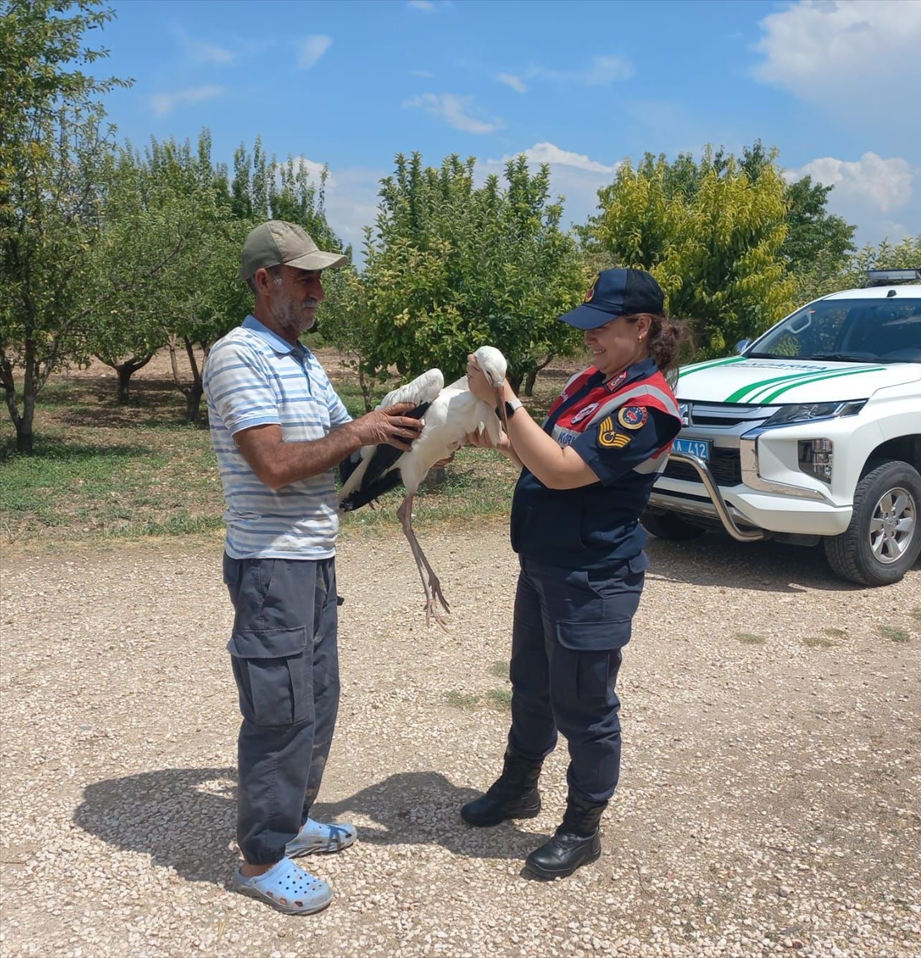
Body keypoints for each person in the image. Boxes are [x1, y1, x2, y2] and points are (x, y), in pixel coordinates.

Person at [203, 220, 426, 915]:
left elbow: (345, 455)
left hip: (312, 558)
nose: (319, 291)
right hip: (272, 566)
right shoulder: (239, 356)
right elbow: (273, 465)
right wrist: (361, 430)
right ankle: (261, 857)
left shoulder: (299, 358)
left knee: (317, 701)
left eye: (320, 278)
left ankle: (293, 821)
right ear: (266, 280)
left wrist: (409, 449)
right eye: (306, 279)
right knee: (281, 711)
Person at [461, 268, 686, 879]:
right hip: (544, 564)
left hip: (593, 577)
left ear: (642, 328)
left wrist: (504, 396)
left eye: (601, 328)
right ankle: (518, 787)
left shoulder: (645, 409)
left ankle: (583, 825)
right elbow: (546, 450)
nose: (588, 340)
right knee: (531, 684)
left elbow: (562, 470)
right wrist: (502, 438)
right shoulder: (595, 381)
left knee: (584, 705)